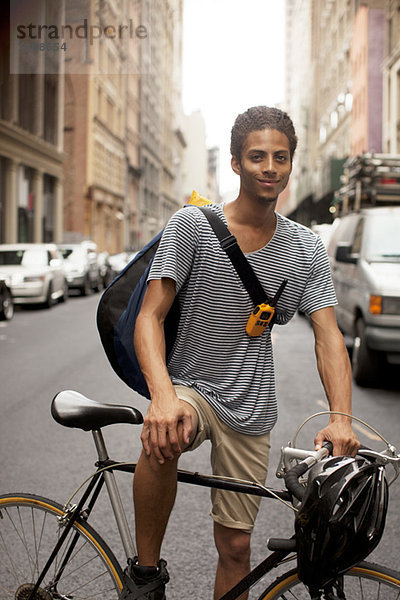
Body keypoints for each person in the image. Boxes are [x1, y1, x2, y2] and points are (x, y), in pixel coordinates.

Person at [123, 106, 360, 600]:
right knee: (167, 431)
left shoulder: (306, 247)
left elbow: (328, 336)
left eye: (280, 157)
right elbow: (149, 317)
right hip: (193, 386)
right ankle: (145, 575)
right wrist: (163, 398)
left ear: (291, 164)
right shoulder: (192, 226)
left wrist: (341, 418)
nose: (269, 167)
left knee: (235, 548)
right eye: (257, 157)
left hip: (252, 407)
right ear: (235, 163)